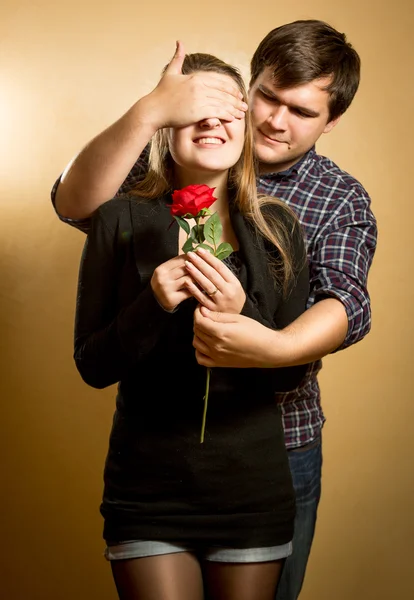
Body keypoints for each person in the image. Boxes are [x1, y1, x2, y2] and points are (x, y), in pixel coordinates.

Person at [52, 20, 377, 600]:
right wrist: (152, 111)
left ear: (332, 121)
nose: (275, 121)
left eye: (302, 111)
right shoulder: (185, 144)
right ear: (247, 88)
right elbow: (76, 204)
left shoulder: (329, 200)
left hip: (278, 442)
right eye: (267, 98)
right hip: (156, 452)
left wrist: (266, 342)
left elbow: (344, 300)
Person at [74, 52, 310, 600]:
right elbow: (91, 365)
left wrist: (241, 318)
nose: (212, 122)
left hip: (251, 490)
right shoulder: (117, 219)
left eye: (227, 109)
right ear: (165, 128)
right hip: (147, 490)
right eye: (193, 109)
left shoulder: (278, 228)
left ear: (245, 127)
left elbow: (290, 373)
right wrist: (150, 303)